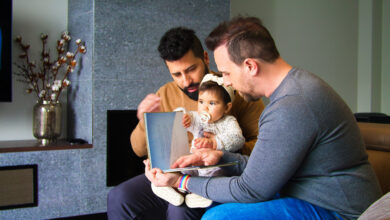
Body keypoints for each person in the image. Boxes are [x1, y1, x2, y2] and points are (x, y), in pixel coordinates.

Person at [144, 17, 383, 220]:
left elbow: (250, 189)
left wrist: (181, 182)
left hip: (338, 210)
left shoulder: (292, 105)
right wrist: (221, 156)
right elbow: (263, 171)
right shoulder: (293, 89)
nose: (225, 81)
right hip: (306, 192)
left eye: (226, 73)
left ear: (250, 66)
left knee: (217, 218)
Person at [107, 27, 264, 220]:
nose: (186, 81)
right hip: (173, 174)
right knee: (119, 196)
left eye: (191, 69)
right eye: (177, 74)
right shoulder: (165, 93)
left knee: (180, 211)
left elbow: (264, 146)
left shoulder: (234, 90)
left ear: (206, 58)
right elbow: (138, 149)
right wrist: (144, 120)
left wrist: (219, 149)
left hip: (216, 176)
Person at [152, 73, 245, 208]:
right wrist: (184, 117)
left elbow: (238, 139)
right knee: (176, 164)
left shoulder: (229, 122)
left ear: (227, 107)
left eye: (212, 103)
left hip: (212, 165)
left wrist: (215, 142)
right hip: (193, 161)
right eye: (201, 102)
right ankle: (168, 188)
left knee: (216, 175)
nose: (204, 108)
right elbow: (186, 119)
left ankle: (200, 195)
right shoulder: (197, 117)